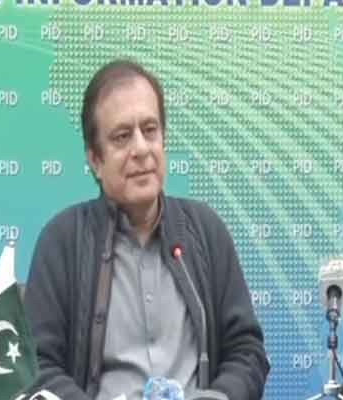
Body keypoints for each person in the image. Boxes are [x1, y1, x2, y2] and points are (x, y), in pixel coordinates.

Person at [24, 60, 269, 400]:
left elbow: (247, 351)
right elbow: (36, 367)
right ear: (95, 160)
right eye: (122, 136)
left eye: (150, 130)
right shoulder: (62, 242)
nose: (141, 149)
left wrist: (221, 396)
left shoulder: (205, 230)